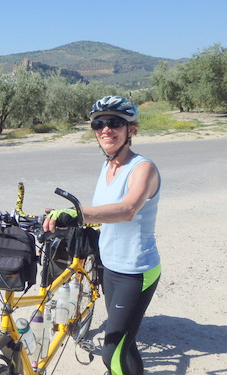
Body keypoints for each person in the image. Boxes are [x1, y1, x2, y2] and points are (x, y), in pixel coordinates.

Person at [43, 96, 161, 375]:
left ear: (131, 129)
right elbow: (102, 214)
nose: (106, 129)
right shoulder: (107, 167)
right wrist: (67, 220)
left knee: (112, 349)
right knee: (125, 341)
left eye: (115, 123)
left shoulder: (143, 168)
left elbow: (128, 209)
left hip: (137, 271)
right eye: (99, 124)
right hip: (109, 267)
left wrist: (79, 214)